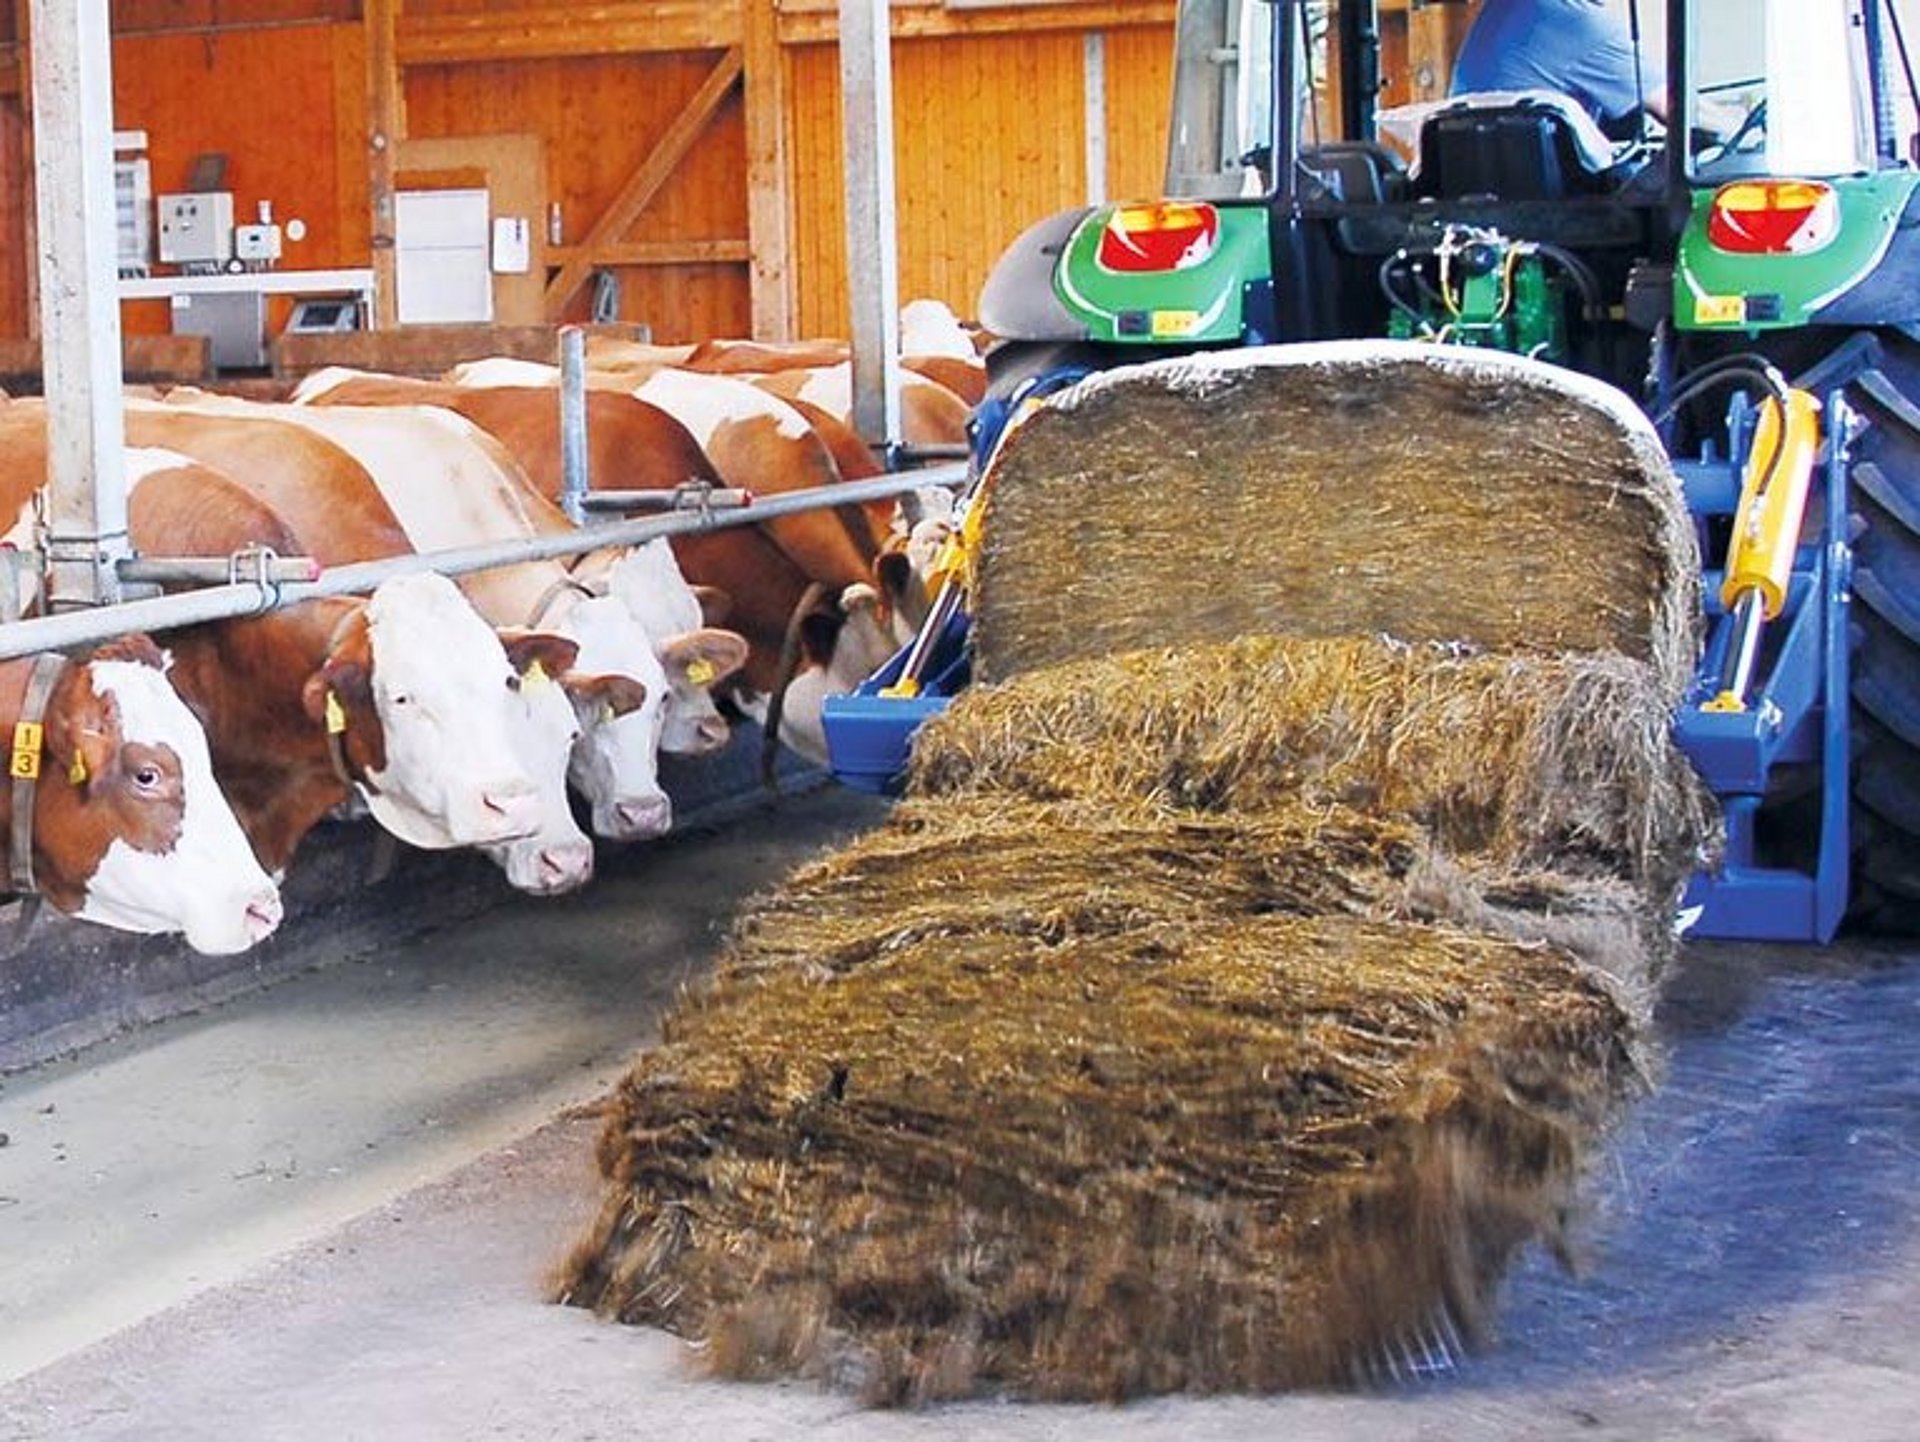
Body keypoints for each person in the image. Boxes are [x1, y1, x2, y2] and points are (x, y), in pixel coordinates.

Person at [1449, 0, 1667, 137]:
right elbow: (1673, 108)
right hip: (1547, 199)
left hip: (1473, 194)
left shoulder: (1504, 6)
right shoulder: (1578, 19)